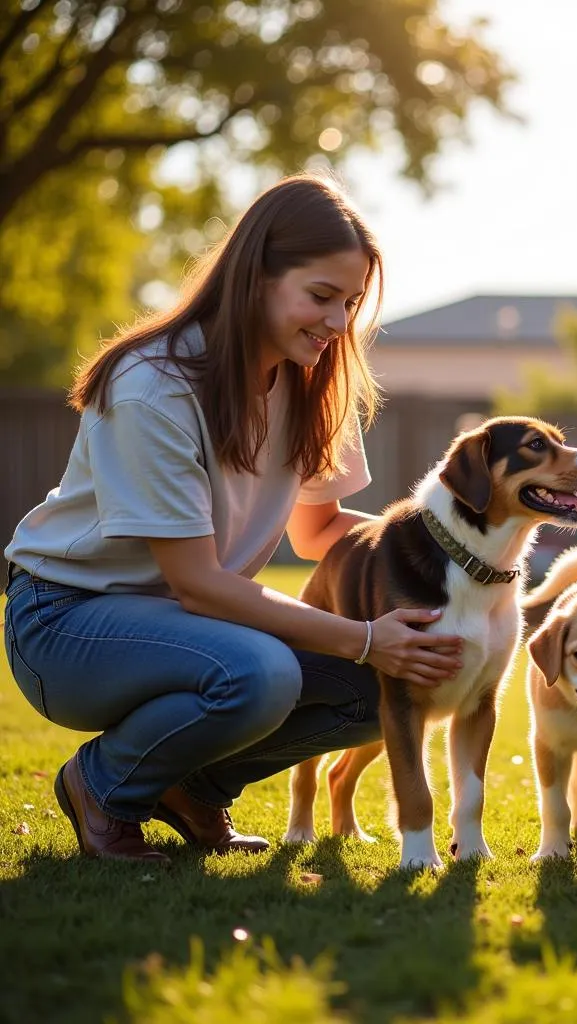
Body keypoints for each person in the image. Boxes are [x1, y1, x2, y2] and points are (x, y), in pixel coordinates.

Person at [2, 173, 463, 863]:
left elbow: (319, 533)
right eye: (321, 297)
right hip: (66, 622)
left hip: (198, 624)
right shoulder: (153, 383)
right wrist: (364, 636)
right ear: (255, 277)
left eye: (352, 303)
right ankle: (102, 785)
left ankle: (192, 787)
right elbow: (198, 584)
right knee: (264, 673)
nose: (339, 324)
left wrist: (473, 561)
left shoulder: (315, 382)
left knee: (395, 687)